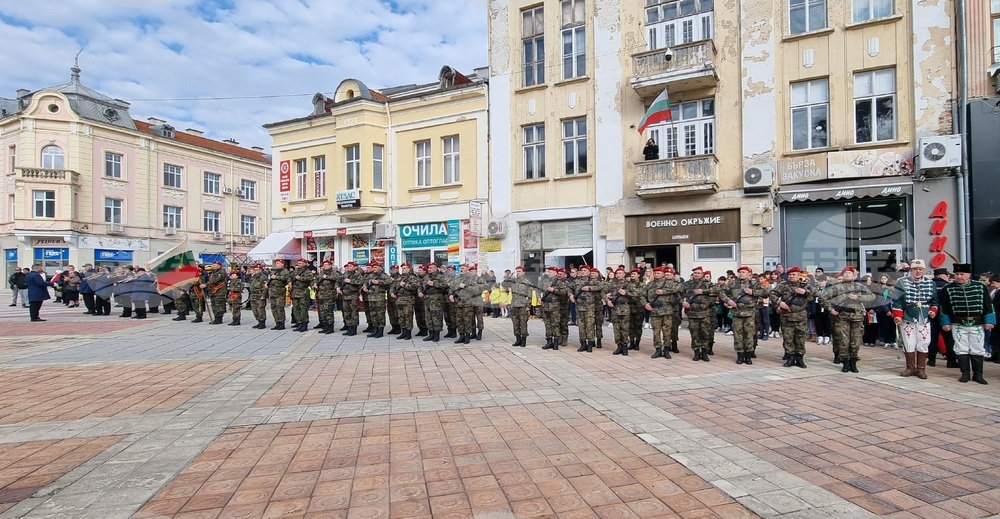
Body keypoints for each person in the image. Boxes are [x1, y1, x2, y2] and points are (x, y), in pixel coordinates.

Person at [939, 263, 996, 384]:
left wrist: (990, 321)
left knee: (978, 348)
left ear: (969, 275)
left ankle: (978, 375)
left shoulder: (980, 286)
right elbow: (943, 307)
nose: (959, 276)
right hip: (958, 323)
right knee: (961, 348)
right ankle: (965, 374)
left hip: (977, 322)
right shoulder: (947, 289)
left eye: (962, 274)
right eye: (957, 274)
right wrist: (945, 322)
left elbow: (988, 304)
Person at [821, 266, 875, 373]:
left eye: (849, 273)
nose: (847, 275)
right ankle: (845, 362)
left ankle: (853, 362)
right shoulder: (836, 287)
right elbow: (823, 298)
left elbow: (872, 296)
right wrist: (831, 310)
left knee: (855, 341)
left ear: (854, 275)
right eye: (845, 273)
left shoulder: (859, 286)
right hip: (841, 318)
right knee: (843, 340)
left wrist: (858, 298)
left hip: (857, 317)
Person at [892, 259, 938, 379]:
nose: (918, 271)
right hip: (907, 316)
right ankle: (910, 367)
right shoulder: (901, 282)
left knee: (924, 342)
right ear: (911, 270)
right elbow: (896, 300)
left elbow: (935, 301)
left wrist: (933, 310)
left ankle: (921, 369)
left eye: (920, 269)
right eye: (915, 269)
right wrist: (898, 315)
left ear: (923, 270)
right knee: (909, 342)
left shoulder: (930, 283)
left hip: (924, 316)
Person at [719, 266, 768, 365]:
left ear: (749, 273)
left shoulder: (754, 284)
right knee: (738, 335)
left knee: (749, 335)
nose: (741, 273)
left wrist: (753, 292)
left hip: (750, 313)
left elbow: (766, 292)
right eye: (740, 272)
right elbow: (721, 292)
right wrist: (728, 300)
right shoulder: (732, 283)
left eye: (743, 272)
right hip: (737, 313)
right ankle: (740, 355)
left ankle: (748, 355)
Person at [770, 266, 814, 368]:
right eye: (790, 275)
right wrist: (779, 303)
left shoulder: (805, 286)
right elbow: (772, 294)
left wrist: (805, 292)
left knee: (800, 338)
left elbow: (815, 295)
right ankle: (790, 358)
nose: (791, 276)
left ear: (798, 275)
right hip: (787, 316)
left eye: (794, 274)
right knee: (788, 338)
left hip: (800, 316)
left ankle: (799, 358)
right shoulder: (783, 285)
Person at [267, 259, 292, 330]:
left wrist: (276, 277)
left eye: (278, 263)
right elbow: (270, 279)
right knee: (273, 308)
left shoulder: (285, 271)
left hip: (279, 293)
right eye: (276, 263)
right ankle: (277, 322)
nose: (276, 264)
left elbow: (286, 278)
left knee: (280, 308)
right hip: (272, 292)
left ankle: (281, 323)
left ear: (282, 264)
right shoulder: (274, 271)